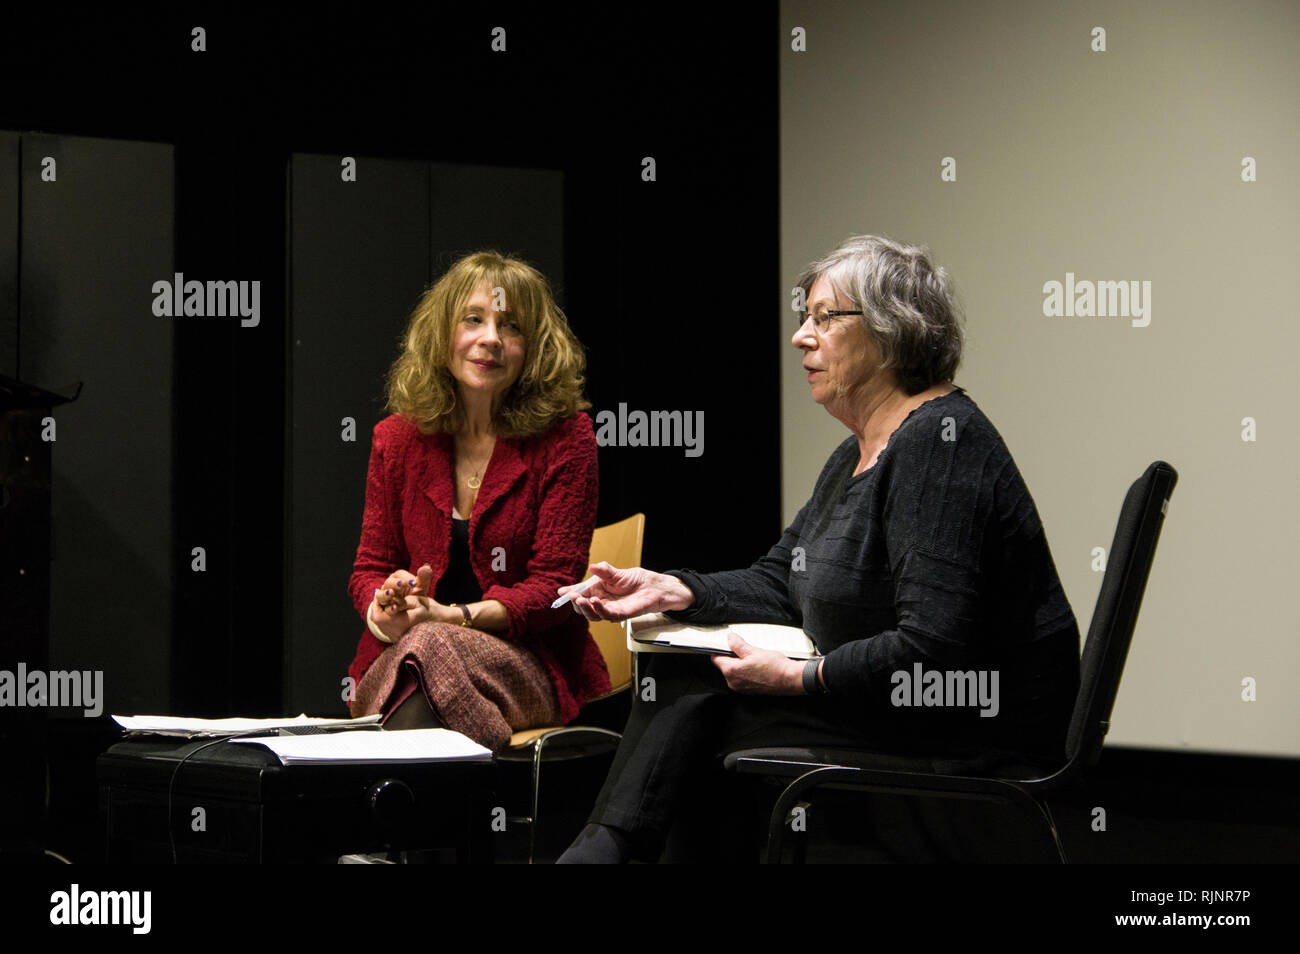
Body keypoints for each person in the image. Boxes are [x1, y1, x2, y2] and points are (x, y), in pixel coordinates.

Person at [556, 235, 1081, 863]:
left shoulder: (940, 444)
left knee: (698, 703)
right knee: (689, 688)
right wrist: (677, 589)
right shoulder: (858, 451)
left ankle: (599, 854)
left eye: (825, 318)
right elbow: (785, 579)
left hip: (967, 732)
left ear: (892, 330)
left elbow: (932, 648)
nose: (802, 336)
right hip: (892, 712)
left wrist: (800, 679)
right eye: (804, 317)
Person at [345, 251, 610, 751]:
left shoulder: (566, 438)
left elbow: (555, 587)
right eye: (473, 319)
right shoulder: (396, 439)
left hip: (527, 660)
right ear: (443, 333)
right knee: (421, 653)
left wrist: (454, 616)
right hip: (404, 657)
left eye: (510, 326)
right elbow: (369, 567)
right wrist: (384, 607)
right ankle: (468, 791)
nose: (490, 338)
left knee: (428, 648)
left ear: (533, 348)